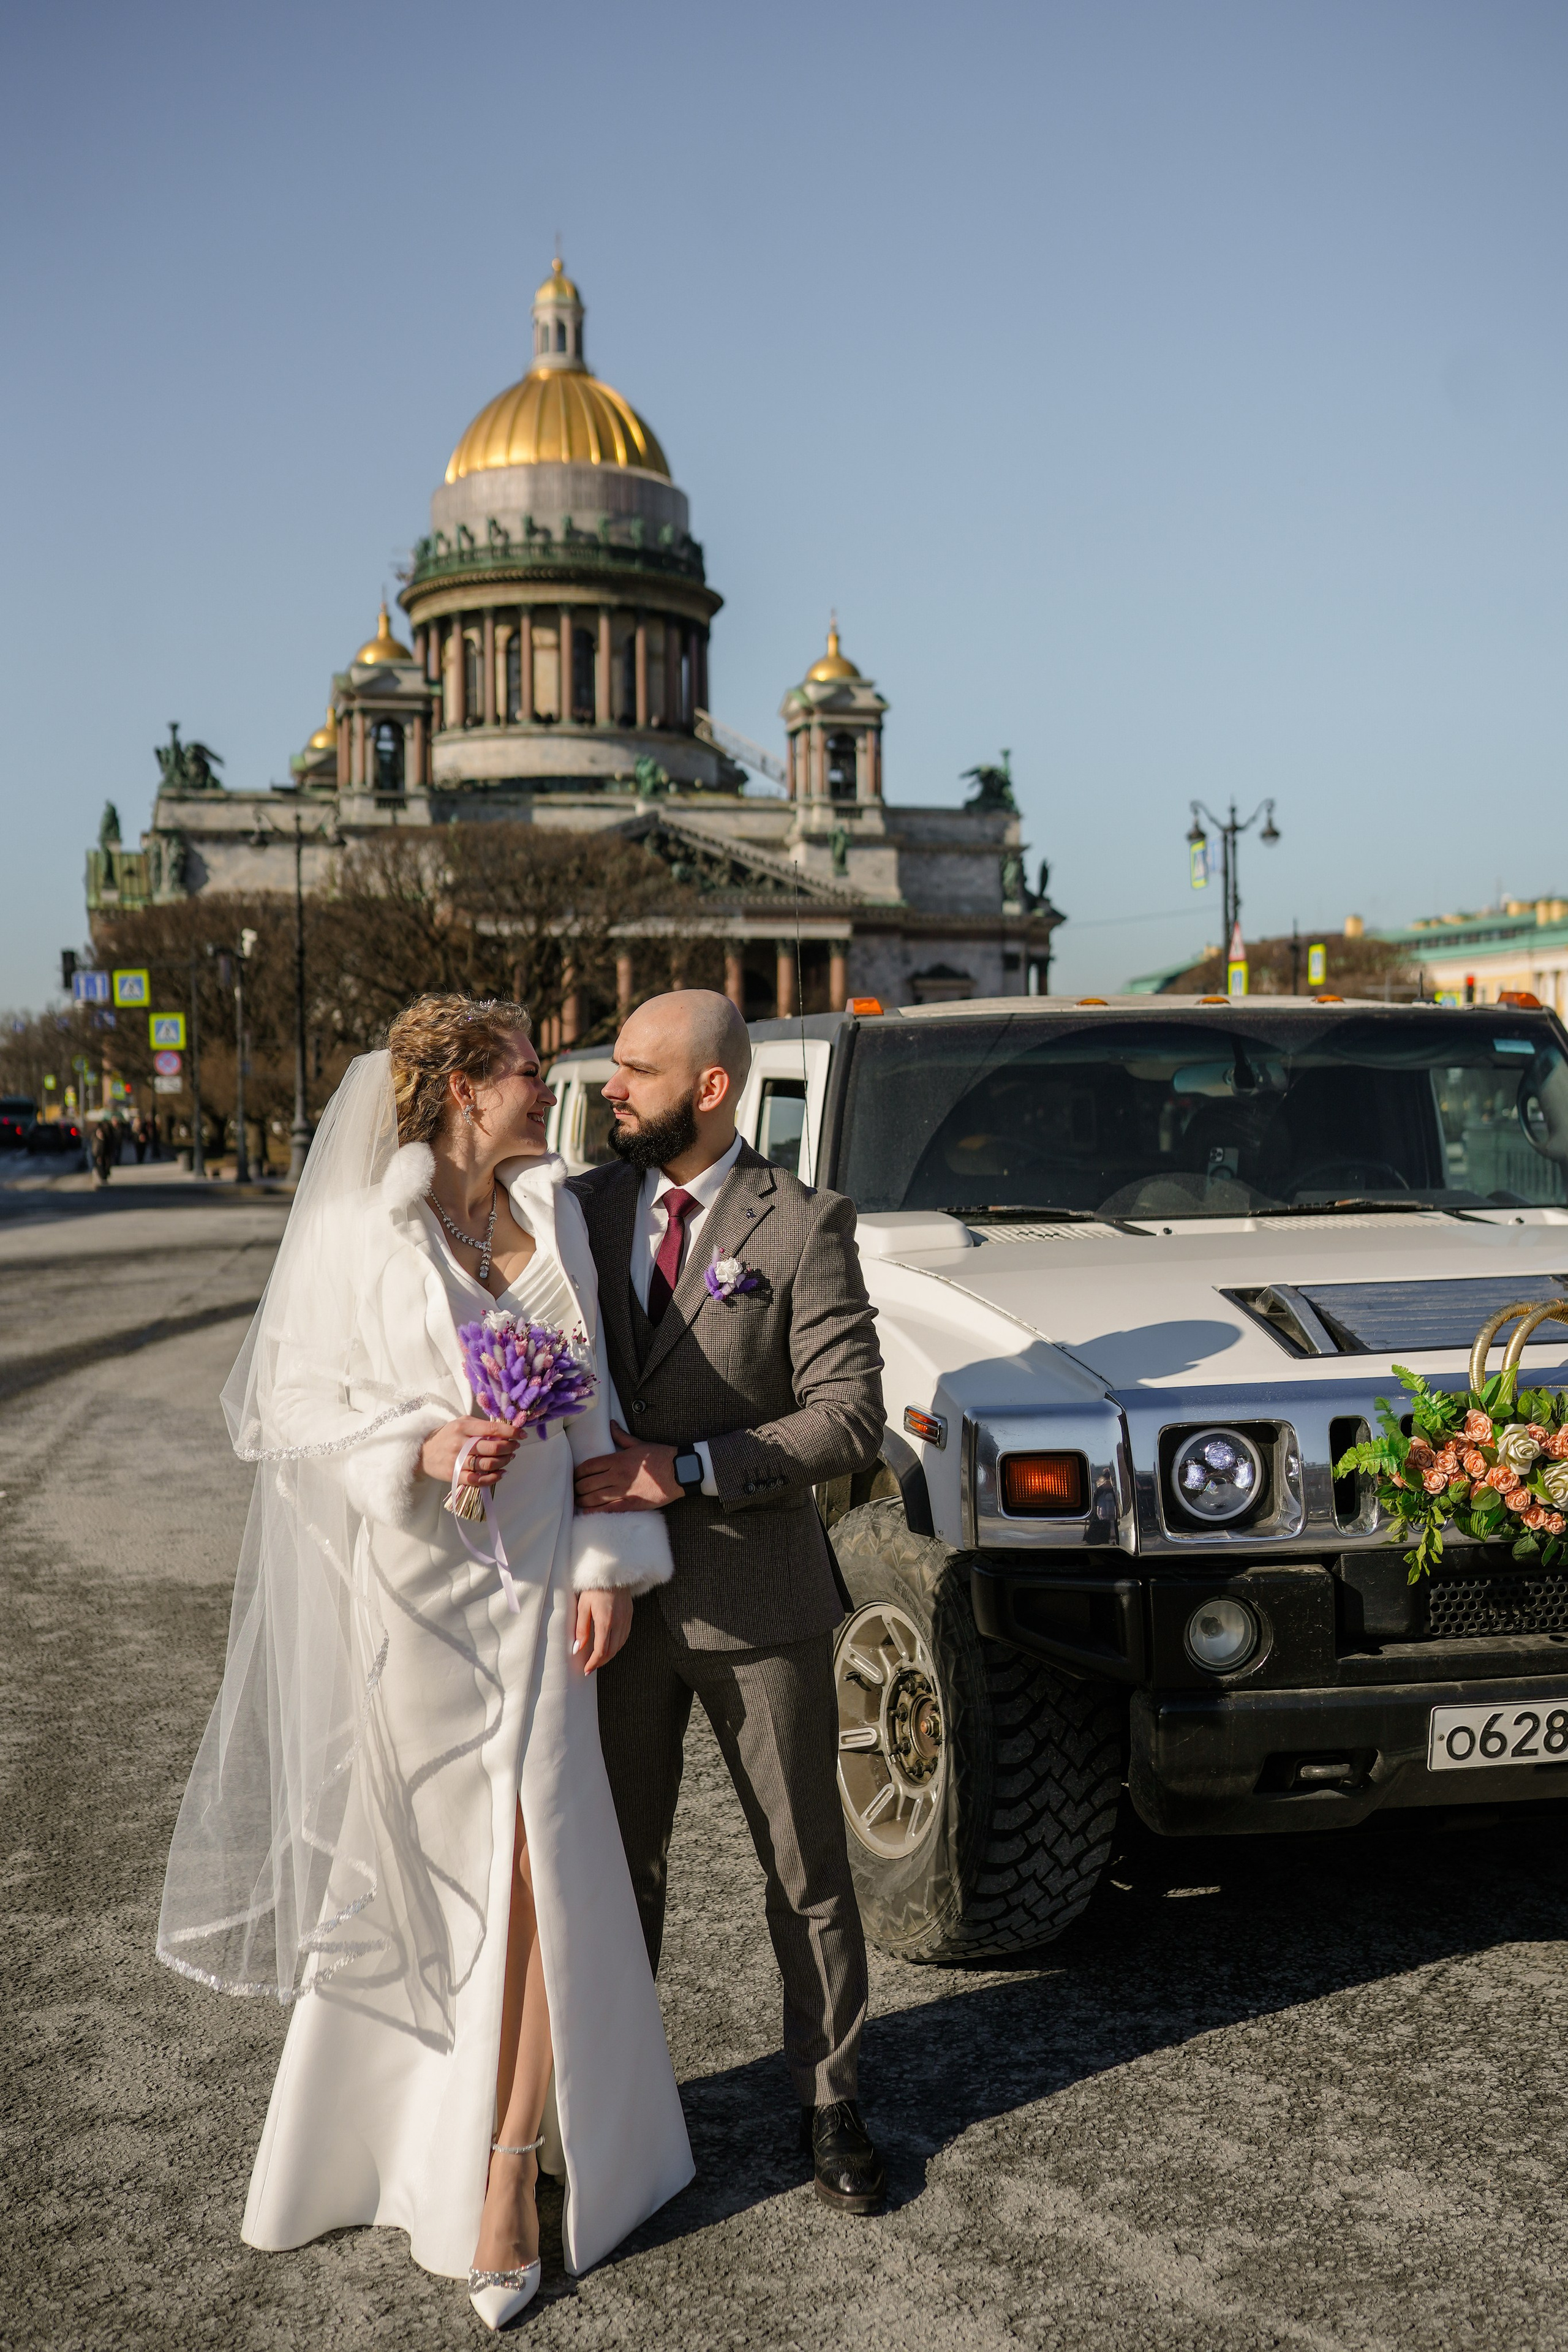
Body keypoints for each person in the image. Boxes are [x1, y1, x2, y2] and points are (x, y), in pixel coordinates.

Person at [157, 996, 692, 2331]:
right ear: (461, 1087)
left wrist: (607, 1570)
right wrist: (419, 1444)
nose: (544, 1089)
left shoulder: (559, 1209)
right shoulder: (359, 1231)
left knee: (545, 1866)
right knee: (439, 1866)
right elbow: (288, 1407)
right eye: (525, 1071)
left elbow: (599, 1410)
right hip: (425, 1596)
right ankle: (385, 2140)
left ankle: (510, 2167)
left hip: (546, 1588)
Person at [570, 990, 889, 2213]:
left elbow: (847, 1413)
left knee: (805, 1866)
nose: (609, 1088)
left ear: (710, 1087)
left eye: (634, 1071)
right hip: (606, 1599)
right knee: (614, 1866)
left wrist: (689, 1466)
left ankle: (831, 2102)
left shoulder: (803, 1225)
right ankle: (618, 2107)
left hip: (758, 1592)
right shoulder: (578, 1212)